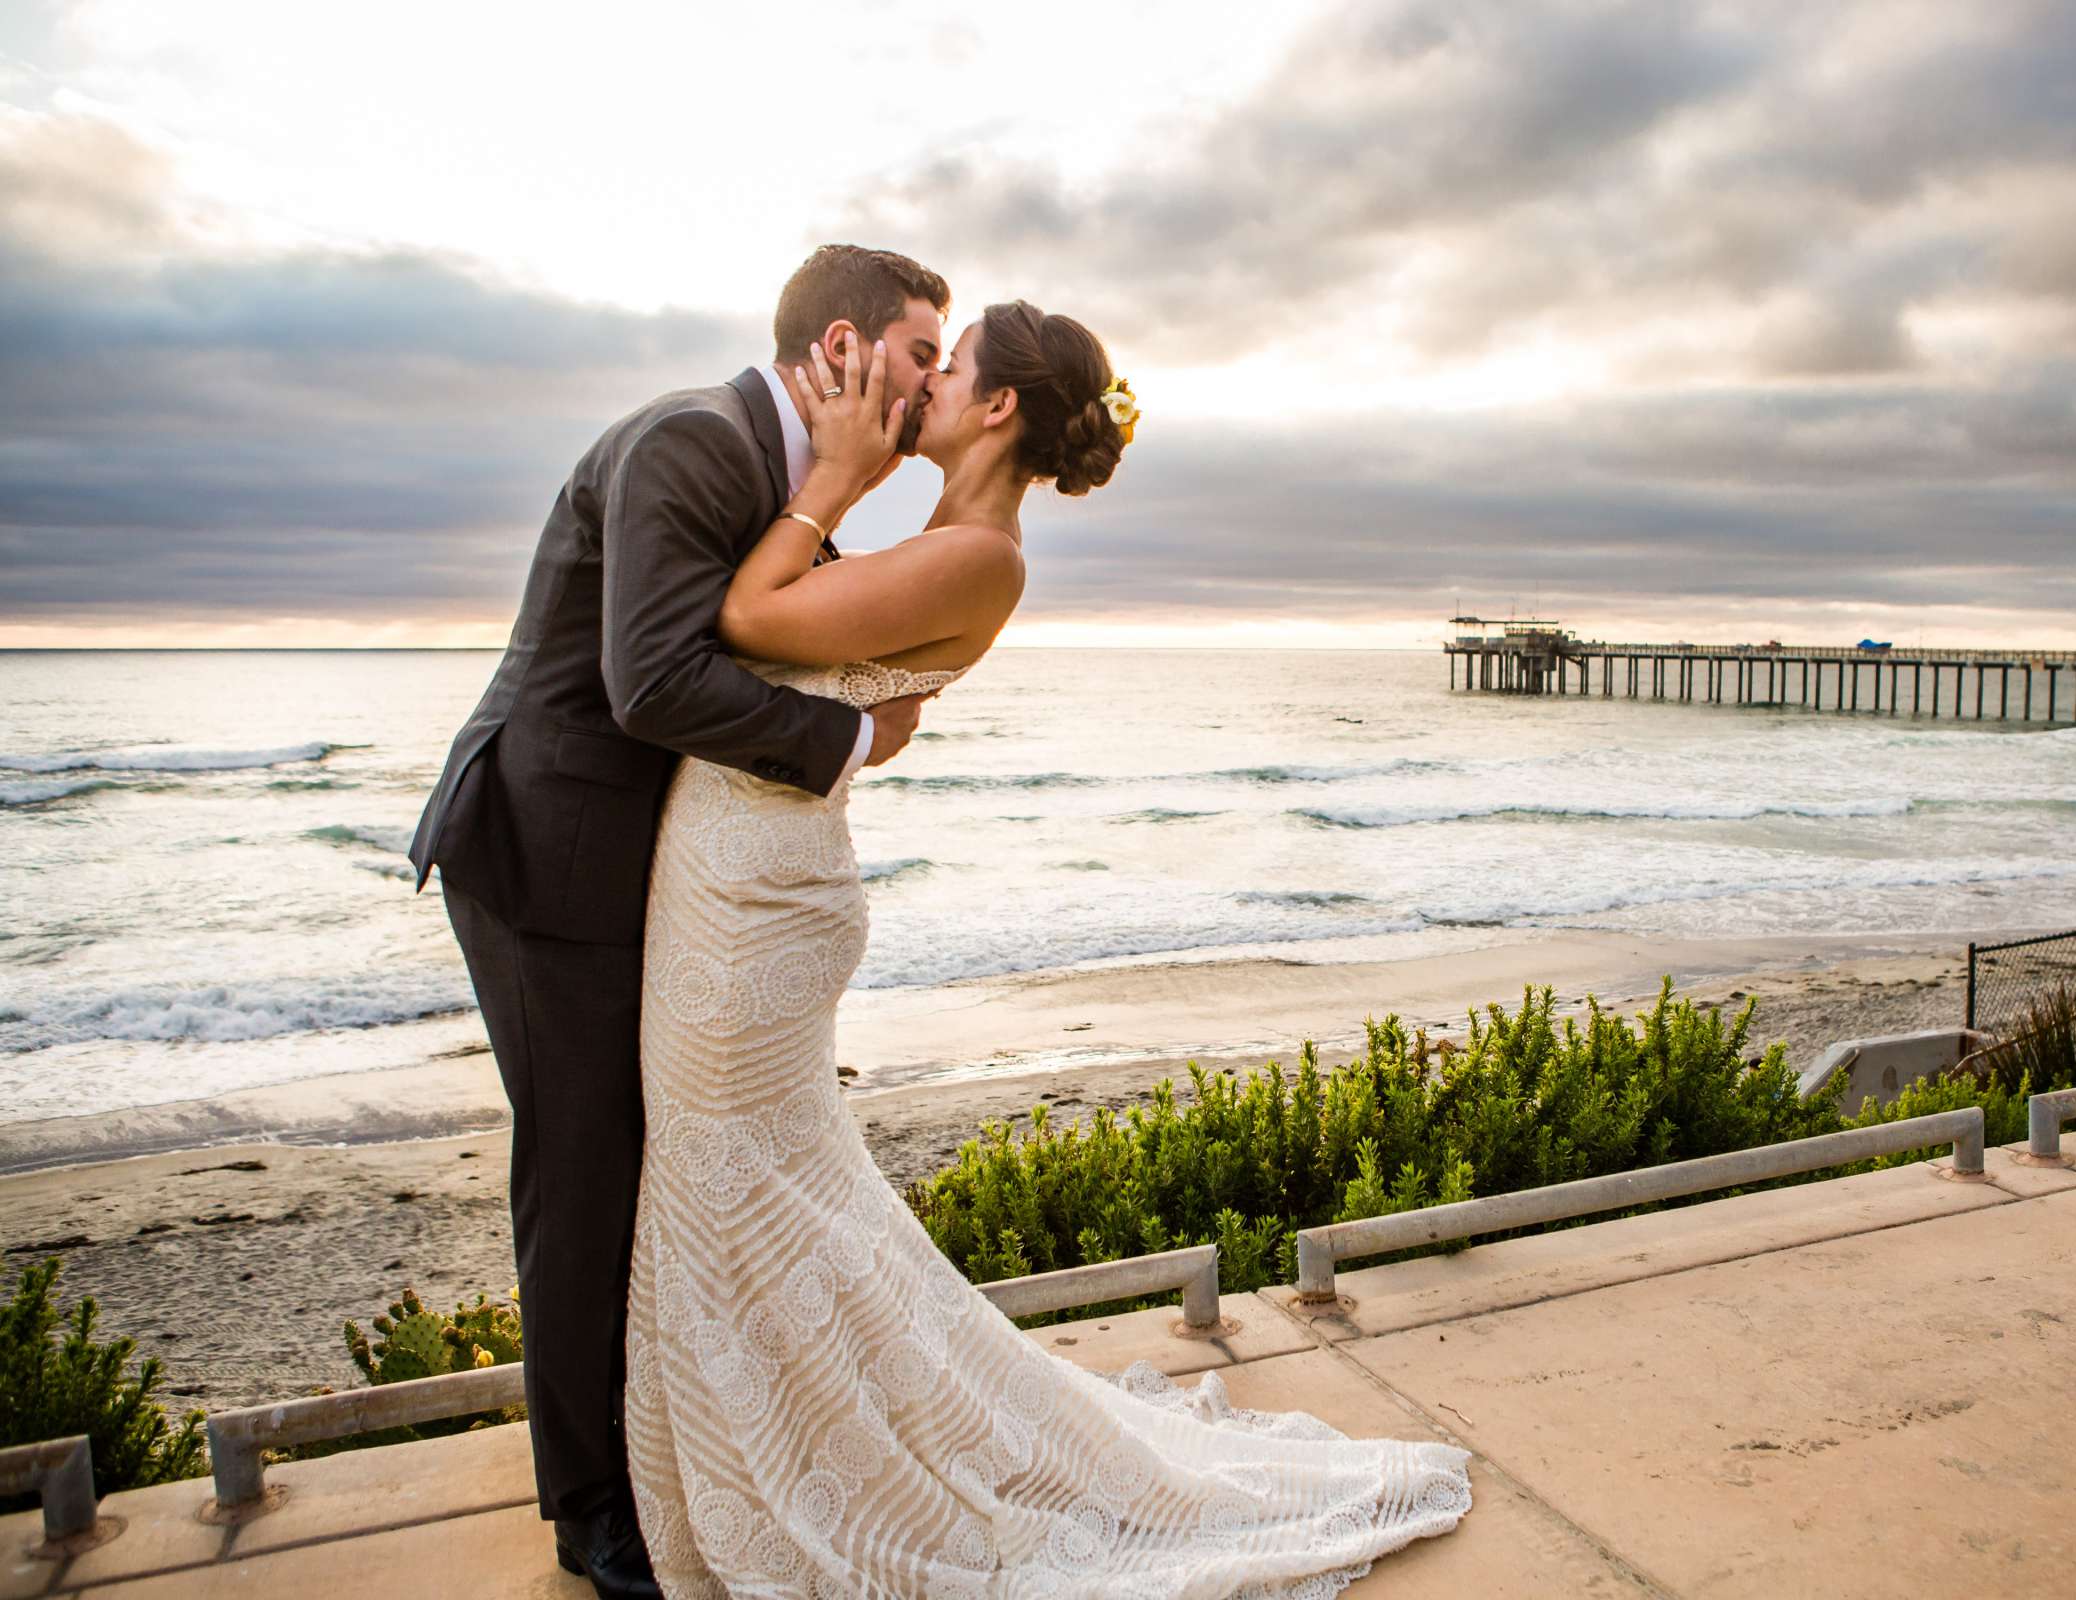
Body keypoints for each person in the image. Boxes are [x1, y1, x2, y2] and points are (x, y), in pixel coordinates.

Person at [624, 303, 1474, 1595]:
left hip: (753, 914)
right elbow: (853, 691)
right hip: (740, 883)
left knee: (738, 1194)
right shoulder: (946, 540)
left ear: (998, 405)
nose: (928, 386)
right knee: (753, 1199)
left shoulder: (979, 555)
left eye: (948, 367)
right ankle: (819, 1457)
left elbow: (747, 618)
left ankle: (826, 1480)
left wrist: (837, 475)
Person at [408, 245, 952, 1599]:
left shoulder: (790, 491)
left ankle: (662, 1449)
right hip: (549, 858)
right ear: (842, 347)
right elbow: (649, 681)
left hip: (643, 869)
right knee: (584, 1171)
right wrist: (845, 736)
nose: (933, 384)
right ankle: (590, 1511)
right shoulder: (693, 443)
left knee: (651, 1163)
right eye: (920, 355)